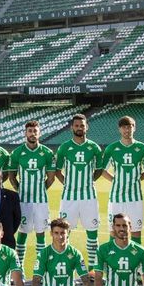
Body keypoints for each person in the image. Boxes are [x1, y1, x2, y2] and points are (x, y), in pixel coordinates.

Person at [54, 113, 104, 270]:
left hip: (89, 197)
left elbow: (99, 169)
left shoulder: (94, 148)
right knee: (64, 232)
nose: (79, 128)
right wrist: (68, 183)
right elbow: (57, 171)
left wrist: (89, 181)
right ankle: (65, 266)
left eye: (82, 125)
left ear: (86, 127)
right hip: (69, 198)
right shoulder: (64, 147)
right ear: (72, 128)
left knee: (92, 232)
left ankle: (93, 269)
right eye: (76, 125)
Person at [9, 120, 56, 264]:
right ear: (25, 133)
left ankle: (40, 267)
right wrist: (21, 190)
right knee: (22, 233)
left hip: (41, 201)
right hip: (23, 201)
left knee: (41, 234)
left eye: (35, 131)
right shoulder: (17, 153)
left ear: (39, 133)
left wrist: (40, 190)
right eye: (30, 131)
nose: (32, 134)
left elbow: (51, 178)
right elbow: (12, 177)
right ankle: (19, 268)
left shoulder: (47, 153)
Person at [101, 116, 144, 244]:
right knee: (113, 231)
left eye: (129, 127)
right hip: (116, 198)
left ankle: (136, 257)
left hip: (135, 198)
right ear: (119, 129)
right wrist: (114, 180)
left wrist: (137, 178)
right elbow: (102, 170)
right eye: (124, 127)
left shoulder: (142, 148)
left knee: (136, 231)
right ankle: (113, 256)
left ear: (134, 128)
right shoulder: (112, 148)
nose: (127, 130)